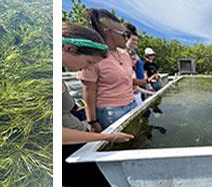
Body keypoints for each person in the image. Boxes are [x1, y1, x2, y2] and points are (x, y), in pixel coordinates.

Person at [62, 23, 134, 187]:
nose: (88, 67)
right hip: (66, 151)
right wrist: (107, 136)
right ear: (70, 49)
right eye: (89, 61)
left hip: (78, 142)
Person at [80, 9, 150, 132]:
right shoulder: (94, 57)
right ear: (110, 33)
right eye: (124, 35)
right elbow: (89, 91)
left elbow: (128, 81)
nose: (127, 39)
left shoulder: (125, 55)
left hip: (132, 104)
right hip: (110, 111)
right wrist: (92, 121)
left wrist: (147, 80)